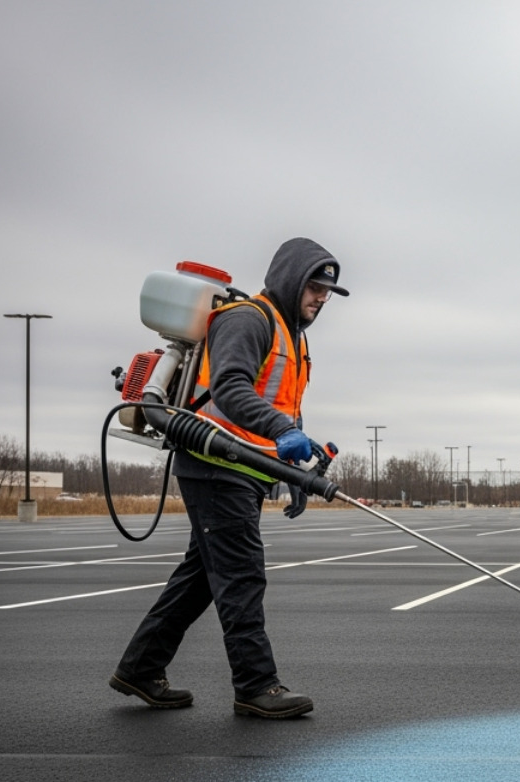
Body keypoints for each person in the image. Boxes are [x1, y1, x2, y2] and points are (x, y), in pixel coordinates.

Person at [109, 237, 349, 719]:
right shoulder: (248, 320)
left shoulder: (291, 335)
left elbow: (280, 406)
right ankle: (256, 686)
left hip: (244, 469)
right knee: (241, 577)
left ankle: (139, 668)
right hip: (216, 465)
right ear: (290, 278)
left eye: (328, 291)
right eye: (315, 286)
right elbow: (231, 388)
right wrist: (282, 432)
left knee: (201, 577)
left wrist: (295, 476)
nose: (322, 297)